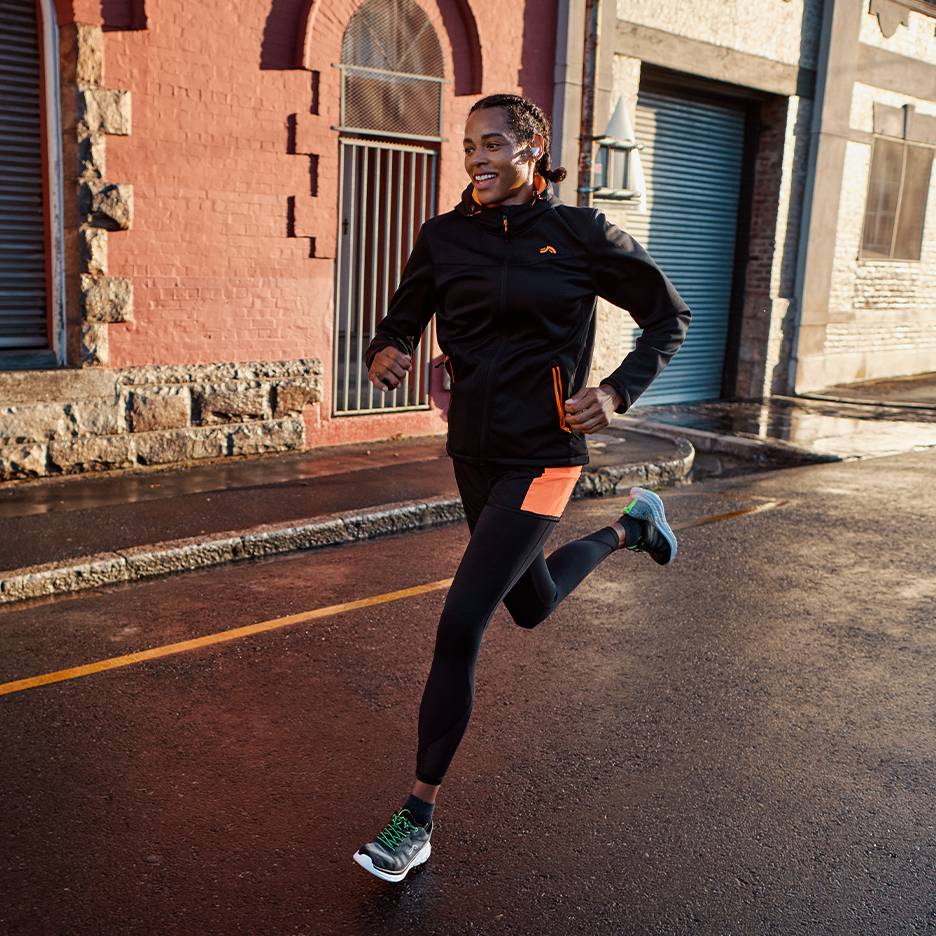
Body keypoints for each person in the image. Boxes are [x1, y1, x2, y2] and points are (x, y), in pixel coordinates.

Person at [352, 93, 690, 883]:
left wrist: (615, 392)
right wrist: (388, 348)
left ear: (532, 148)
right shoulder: (443, 237)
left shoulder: (580, 236)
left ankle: (416, 817)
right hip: (473, 453)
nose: (477, 157)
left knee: (461, 624)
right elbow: (404, 317)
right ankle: (631, 531)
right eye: (469, 144)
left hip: (545, 455)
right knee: (530, 604)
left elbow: (668, 316)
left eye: (494, 143)